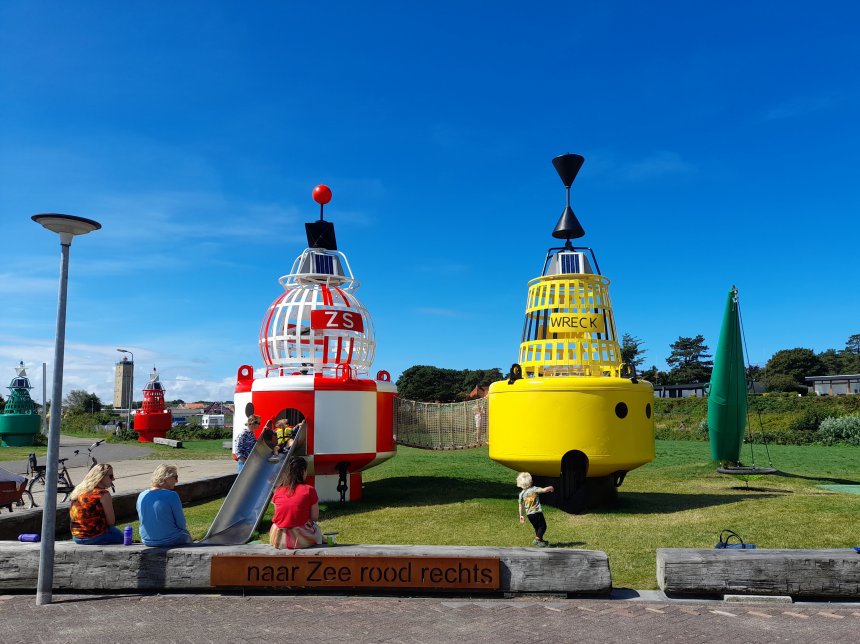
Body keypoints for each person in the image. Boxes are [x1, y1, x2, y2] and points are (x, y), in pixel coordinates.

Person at [269, 456, 323, 549]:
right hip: (299, 538)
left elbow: (280, 515)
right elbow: (314, 517)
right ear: (303, 471)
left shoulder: (277, 490)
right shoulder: (309, 490)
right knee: (316, 528)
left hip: (277, 537)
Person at [136, 464, 193, 547]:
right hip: (170, 540)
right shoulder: (172, 495)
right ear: (167, 478)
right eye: (175, 477)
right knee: (186, 534)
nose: (177, 481)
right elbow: (182, 525)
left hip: (147, 540)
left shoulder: (142, 495)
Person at [69, 463, 123, 545]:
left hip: (77, 537)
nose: (113, 479)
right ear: (100, 477)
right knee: (124, 538)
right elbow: (111, 522)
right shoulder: (103, 494)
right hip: (96, 537)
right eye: (111, 476)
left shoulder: (79, 492)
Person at [516, 472, 554, 548]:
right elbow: (543, 490)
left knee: (537, 527)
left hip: (529, 515)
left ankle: (541, 541)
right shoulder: (534, 489)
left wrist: (521, 515)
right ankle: (537, 540)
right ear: (531, 482)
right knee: (543, 526)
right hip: (537, 512)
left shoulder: (521, 494)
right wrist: (550, 488)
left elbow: (520, 505)